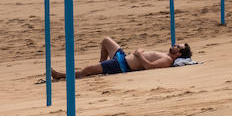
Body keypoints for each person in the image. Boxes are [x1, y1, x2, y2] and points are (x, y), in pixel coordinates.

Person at [51, 37, 192, 79]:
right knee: (106, 41)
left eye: (177, 47)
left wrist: (139, 54)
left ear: (179, 54)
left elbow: (149, 67)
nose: (174, 45)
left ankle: (60, 75)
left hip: (122, 65)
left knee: (87, 70)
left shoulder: (167, 60)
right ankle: (103, 66)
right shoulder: (166, 55)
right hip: (122, 59)